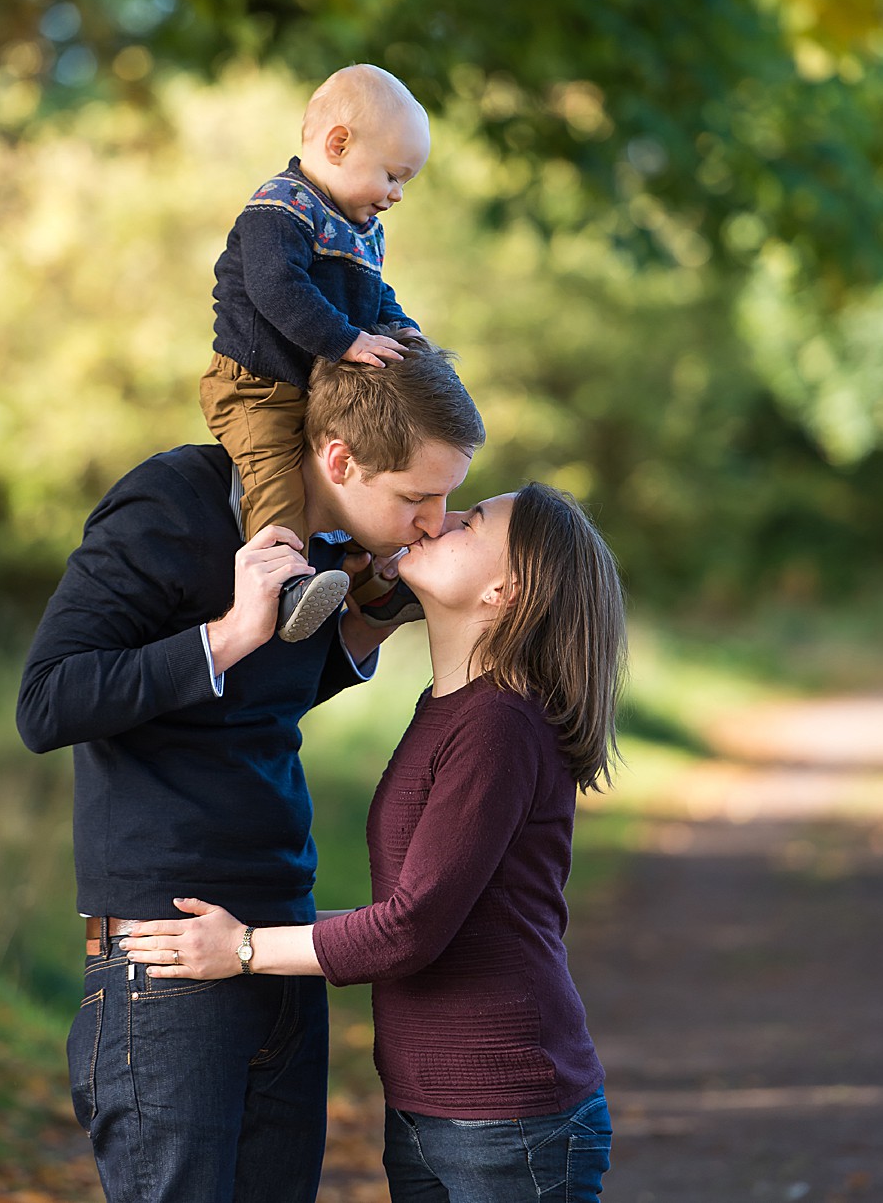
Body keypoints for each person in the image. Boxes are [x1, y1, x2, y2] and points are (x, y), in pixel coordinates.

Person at [17, 342, 483, 1203]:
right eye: (417, 496)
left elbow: (251, 711)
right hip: (166, 958)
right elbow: (47, 703)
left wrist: (370, 625)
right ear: (339, 458)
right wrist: (230, 631)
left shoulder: (331, 545)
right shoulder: (172, 502)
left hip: (274, 943)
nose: (434, 518)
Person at [122, 482, 624, 1203]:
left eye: (471, 520)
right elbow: (417, 917)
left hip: (506, 1117)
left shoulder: (500, 726)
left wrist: (242, 950)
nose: (440, 518)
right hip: (436, 1108)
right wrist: (247, 937)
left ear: (504, 592)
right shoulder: (453, 710)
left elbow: (410, 929)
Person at [202, 62, 432, 642]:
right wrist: (348, 341)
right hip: (255, 383)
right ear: (338, 144)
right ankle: (283, 589)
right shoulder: (280, 209)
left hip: (308, 385)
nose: (398, 195)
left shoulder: (361, 229)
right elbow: (277, 288)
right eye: (393, 176)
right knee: (278, 475)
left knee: (362, 469)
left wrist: (402, 330)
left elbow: (376, 294)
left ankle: (375, 585)